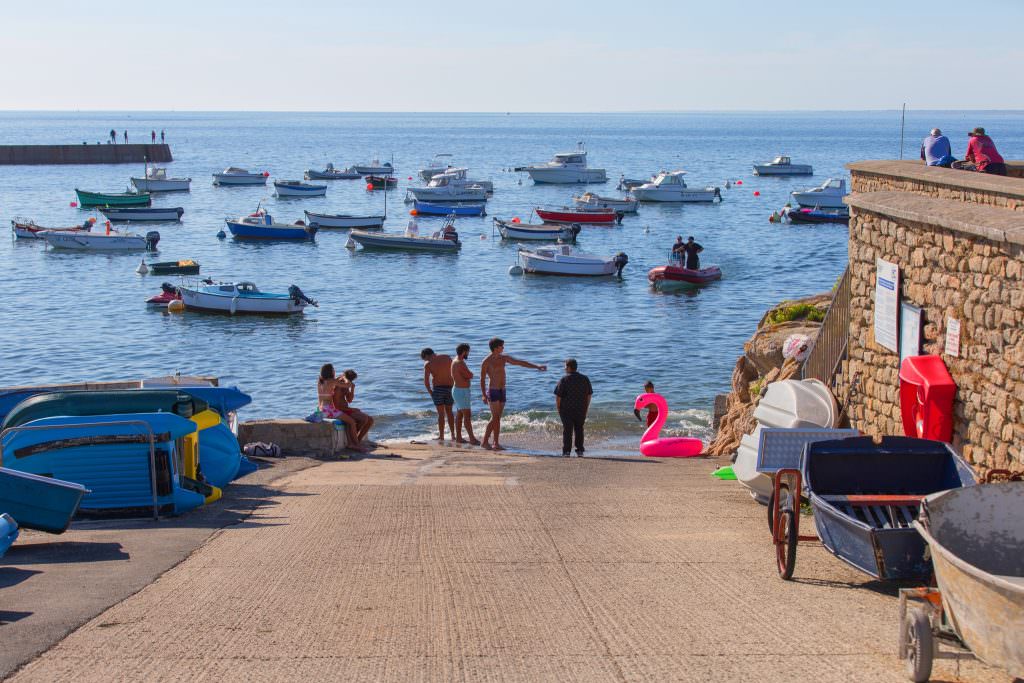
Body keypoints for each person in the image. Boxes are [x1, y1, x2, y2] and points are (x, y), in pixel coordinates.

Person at [479, 337, 546, 451]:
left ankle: (487, 441)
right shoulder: (486, 361)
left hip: (502, 390)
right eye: (502, 346)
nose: (503, 348)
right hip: (493, 390)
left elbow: (520, 362)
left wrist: (537, 366)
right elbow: (482, 379)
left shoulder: (504, 358)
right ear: (496, 348)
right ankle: (494, 442)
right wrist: (484, 395)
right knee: (495, 417)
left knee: (497, 418)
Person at [553, 358, 592, 457]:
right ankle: (579, 450)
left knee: (567, 430)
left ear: (569, 367)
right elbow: (589, 394)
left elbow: (558, 396)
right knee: (579, 429)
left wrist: (558, 408)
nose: (564, 368)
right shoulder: (585, 378)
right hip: (581, 408)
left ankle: (566, 451)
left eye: (565, 366)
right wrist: (586, 406)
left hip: (566, 409)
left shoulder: (564, 380)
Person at [316, 363, 360, 447]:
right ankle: (357, 444)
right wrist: (345, 377)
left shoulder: (320, 381)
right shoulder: (332, 381)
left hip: (320, 410)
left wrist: (338, 378)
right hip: (329, 410)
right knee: (352, 422)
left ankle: (351, 443)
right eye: (333, 369)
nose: (334, 370)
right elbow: (348, 384)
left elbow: (332, 384)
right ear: (330, 372)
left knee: (346, 421)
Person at [421, 348, 455, 441]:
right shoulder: (447, 357)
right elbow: (454, 372)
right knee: (450, 412)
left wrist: (431, 393)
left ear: (427, 356)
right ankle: (453, 435)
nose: (426, 361)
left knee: (441, 414)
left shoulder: (428, 364)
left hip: (438, 389)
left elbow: (426, 382)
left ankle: (442, 436)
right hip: (450, 388)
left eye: (425, 359)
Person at [335, 369, 374, 448]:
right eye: (351, 380)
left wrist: (352, 389)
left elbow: (349, 400)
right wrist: (352, 410)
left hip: (346, 409)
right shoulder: (338, 386)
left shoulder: (346, 384)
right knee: (364, 419)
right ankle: (354, 442)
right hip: (341, 410)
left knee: (370, 420)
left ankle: (358, 441)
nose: (351, 382)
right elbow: (336, 406)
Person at [452, 343, 480, 445]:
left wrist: (468, 375)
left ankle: (459, 437)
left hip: (458, 390)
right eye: (468, 351)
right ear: (464, 351)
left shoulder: (455, 360)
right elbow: (469, 375)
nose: (468, 353)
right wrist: (470, 375)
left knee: (460, 414)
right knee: (467, 415)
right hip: (461, 391)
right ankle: (472, 438)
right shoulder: (460, 362)